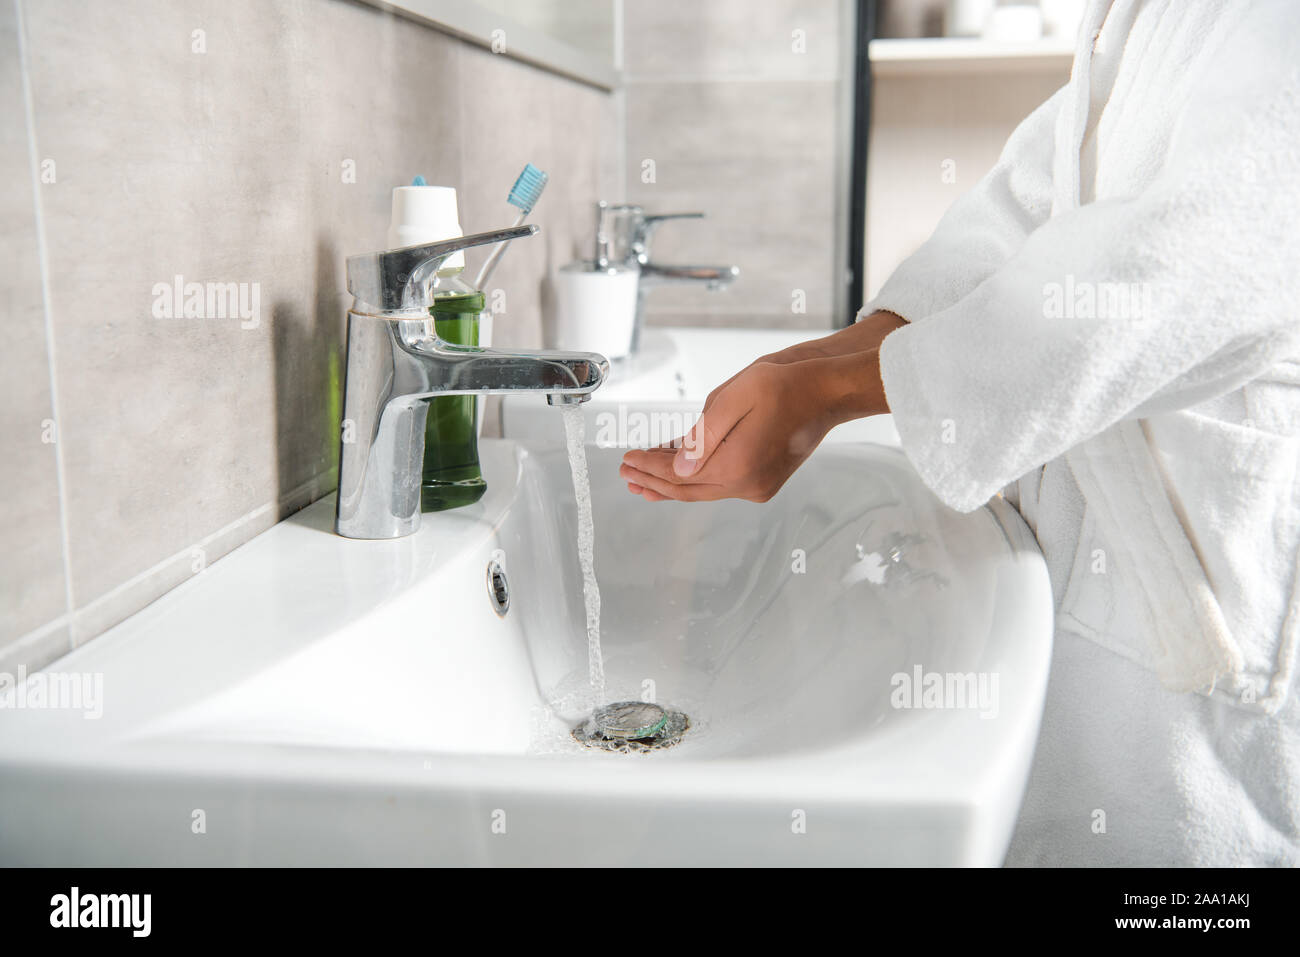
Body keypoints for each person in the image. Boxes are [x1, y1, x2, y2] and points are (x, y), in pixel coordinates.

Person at [619, 0, 1300, 866]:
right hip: (1096, 582)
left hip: (1214, 606)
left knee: (1187, 884)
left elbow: (1201, 252)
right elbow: (1028, 204)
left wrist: (830, 389)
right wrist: (812, 371)